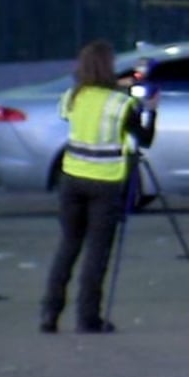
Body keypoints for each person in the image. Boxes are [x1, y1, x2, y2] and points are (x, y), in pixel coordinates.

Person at [39, 40, 156, 334]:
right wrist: (151, 110)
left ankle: (50, 313)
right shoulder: (121, 104)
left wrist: (118, 85)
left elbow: (88, 105)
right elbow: (144, 139)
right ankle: (87, 317)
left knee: (68, 245)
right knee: (97, 252)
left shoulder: (73, 97)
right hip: (106, 182)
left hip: (71, 179)